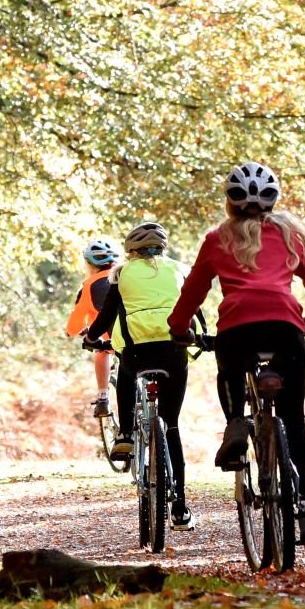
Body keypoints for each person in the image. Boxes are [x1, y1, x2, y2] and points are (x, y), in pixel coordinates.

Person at [170, 162, 305, 545]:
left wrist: (178, 328)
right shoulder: (291, 235)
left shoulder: (217, 238)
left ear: (230, 202)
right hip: (286, 328)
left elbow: (194, 290)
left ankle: (236, 423)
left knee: (229, 372)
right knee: (293, 420)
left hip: (236, 329)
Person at [81, 222, 194, 527]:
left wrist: (91, 338)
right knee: (171, 426)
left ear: (131, 251)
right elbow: (192, 308)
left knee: (128, 372)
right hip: (173, 351)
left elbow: (107, 313)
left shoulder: (121, 272)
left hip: (136, 352)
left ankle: (127, 434)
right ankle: (181, 509)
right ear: (162, 248)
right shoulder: (178, 270)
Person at [68, 236, 122, 413]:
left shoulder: (89, 285)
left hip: (113, 341)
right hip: (142, 334)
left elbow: (75, 324)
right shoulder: (128, 275)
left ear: (90, 264)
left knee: (101, 350)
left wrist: (72, 332)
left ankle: (103, 397)